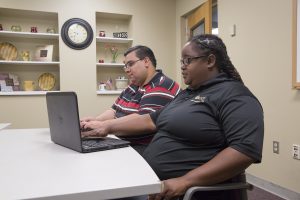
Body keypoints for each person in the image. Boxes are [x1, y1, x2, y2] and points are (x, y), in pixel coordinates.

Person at [81, 34, 264, 200]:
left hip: (178, 191)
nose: (182, 66)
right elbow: (149, 119)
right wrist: (105, 127)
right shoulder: (188, 94)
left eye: (188, 60)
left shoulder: (236, 96)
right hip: (150, 180)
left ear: (210, 61)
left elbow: (244, 151)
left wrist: (185, 181)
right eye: (181, 61)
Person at [81, 45, 181, 153]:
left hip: (144, 149)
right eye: (125, 66)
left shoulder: (161, 85)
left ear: (146, 61)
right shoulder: (133, 86)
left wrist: (104, 126)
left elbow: (145, 121)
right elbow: (114, 111)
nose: (127, 70)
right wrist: (94, 121)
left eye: (130, 64)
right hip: (123, 143)